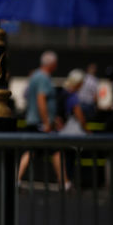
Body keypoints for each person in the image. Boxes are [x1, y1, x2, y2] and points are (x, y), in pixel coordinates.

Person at [17, 51, 70, 189]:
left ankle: (17, 179)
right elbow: (41, 100)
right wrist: (47, 122)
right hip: (40, 122)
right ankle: (64, 182)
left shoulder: (35, 76)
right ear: (52, 64)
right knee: (55, 150)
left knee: (31, 151)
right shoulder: (43, 78)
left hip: (35, 120)